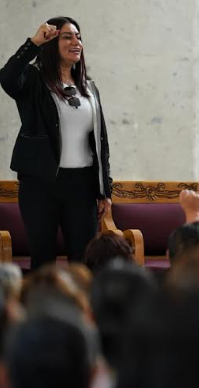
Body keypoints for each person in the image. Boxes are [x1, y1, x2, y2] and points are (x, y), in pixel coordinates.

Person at [0, 17, 112, 269]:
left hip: (82, 186)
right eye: (67, 37)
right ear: (51, 43)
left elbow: (100, 143)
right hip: (40, 184)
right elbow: (7, 78)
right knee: (43, 261)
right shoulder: (34, 81)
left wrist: (104, 189)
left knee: (84, 262)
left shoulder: (89, 88)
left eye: (78, 37)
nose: (76, 42)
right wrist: (34, 43)